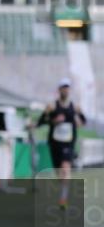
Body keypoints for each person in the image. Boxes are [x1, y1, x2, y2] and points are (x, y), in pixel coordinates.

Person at [37, 79, 86, 208]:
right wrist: (54, 121)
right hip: (55, 143)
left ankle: (63, 199)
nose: (65, 90)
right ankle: (63, 192)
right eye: (63, 87)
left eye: (67, 87)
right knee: (59, 171)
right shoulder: (52, 106)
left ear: (69, 90)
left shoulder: (75, 107)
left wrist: (79, 123)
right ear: (59, 90)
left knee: (65, 167)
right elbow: (42, 120)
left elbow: (83, 120)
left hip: (69, 142)